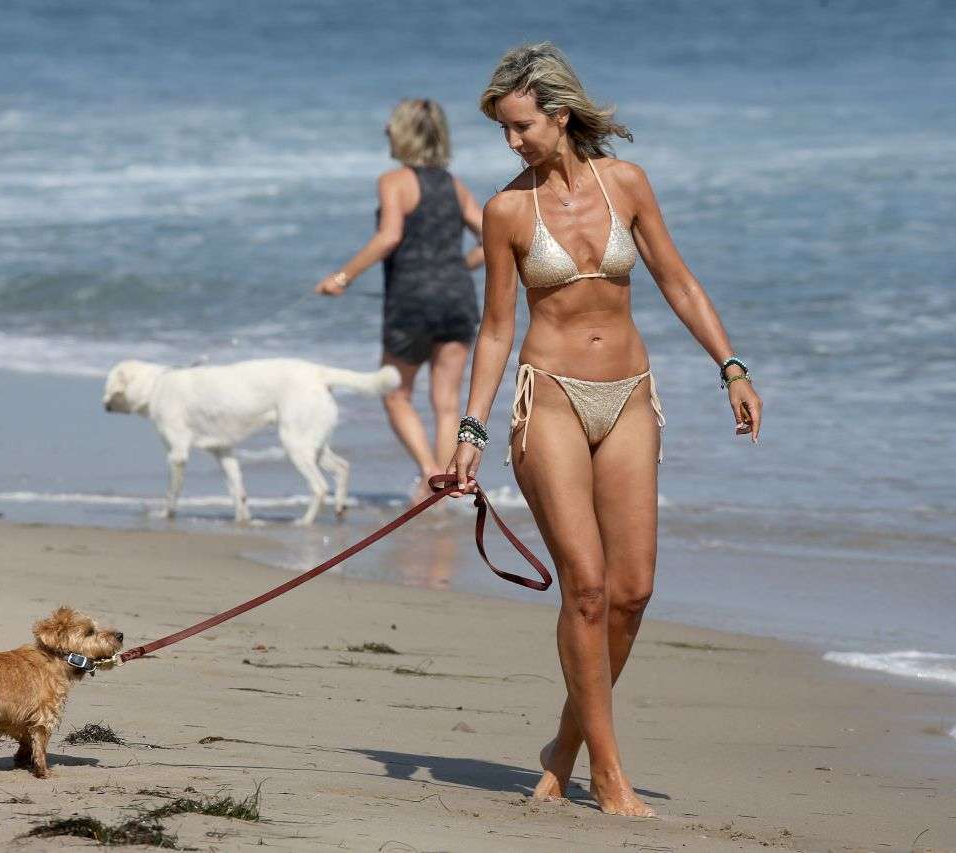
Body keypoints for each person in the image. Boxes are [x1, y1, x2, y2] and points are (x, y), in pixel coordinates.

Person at [445, 43, 763, 817]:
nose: (512, 142)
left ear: (559, 112)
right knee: (585, 587)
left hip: (628, 396)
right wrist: (470, 429)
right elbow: (494, 330)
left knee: (632, 591)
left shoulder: (625, 185)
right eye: (502, 131)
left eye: (521, 126)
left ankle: (565, 744)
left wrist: (731, 366)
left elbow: (678, 280)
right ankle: (609, 775)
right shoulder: (506, 211)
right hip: (546, 397)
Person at [316, 99, 485, 502]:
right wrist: (462, 266)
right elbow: (491, 236)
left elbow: (389, 236)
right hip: (457, 297)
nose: (386, 134)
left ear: (404, 134)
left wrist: (342, 277)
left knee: (395, 394)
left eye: (391, 128)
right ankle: (447, 483)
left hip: (411, 301)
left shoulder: (394, 181)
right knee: (447, 402)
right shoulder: (454, 185)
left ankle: (428, 473)